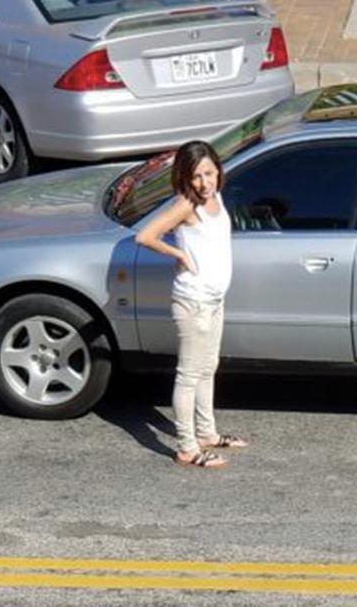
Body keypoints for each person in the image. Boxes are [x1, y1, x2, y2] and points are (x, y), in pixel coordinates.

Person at [135, 141, 247, 468]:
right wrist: (179, 254)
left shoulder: (216, 198)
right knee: (188, 375)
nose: (204, 182)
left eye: (209, 173)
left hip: (214, 299)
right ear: (185, 177)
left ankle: (207, 433)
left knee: (208, 366)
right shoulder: (187, 205)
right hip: (193, 302)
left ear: (217, 171)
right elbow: (146, 236)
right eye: (196, 176)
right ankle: (187, 447)